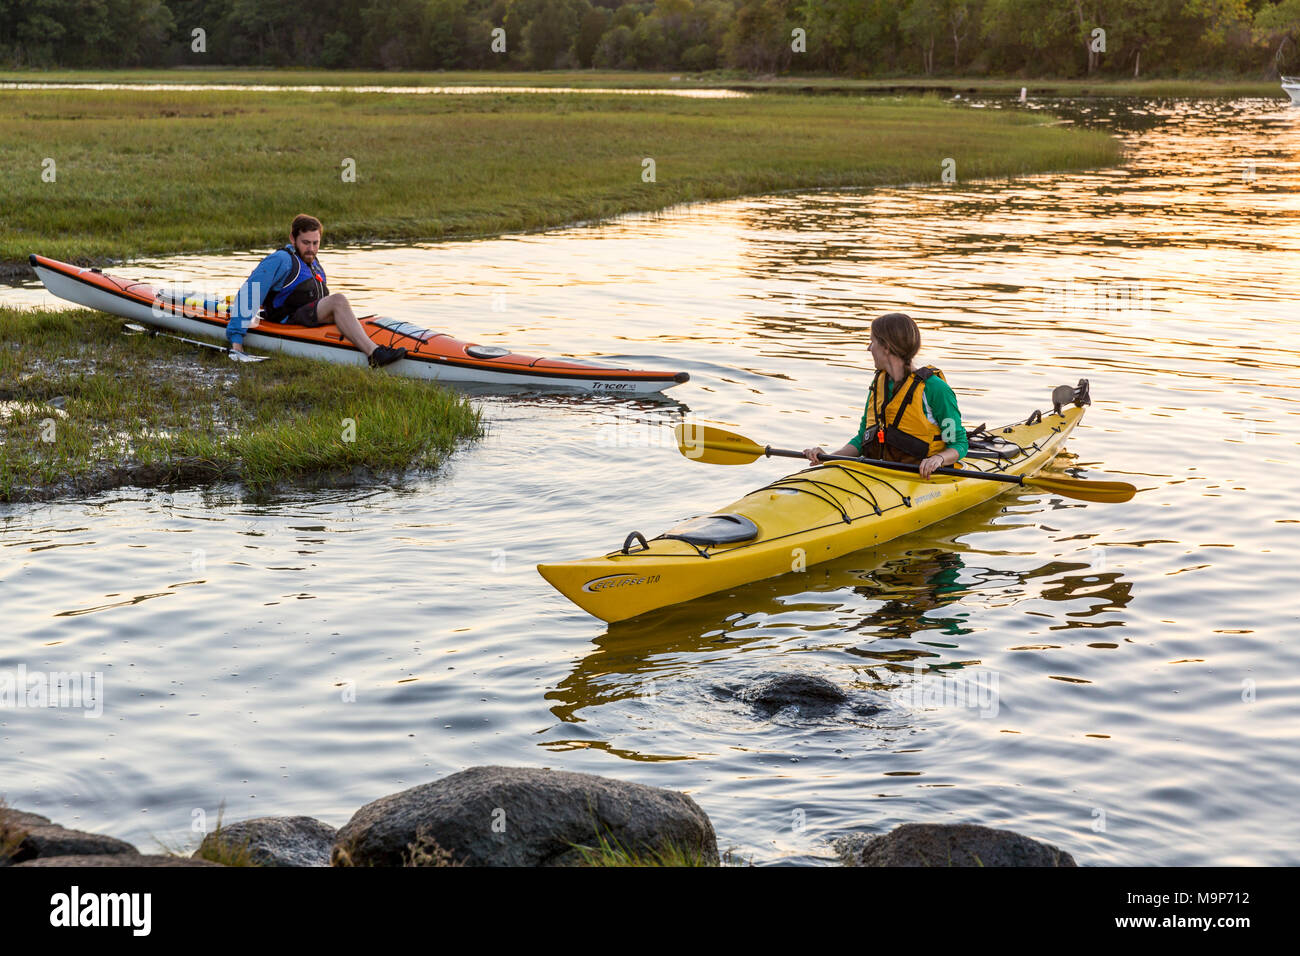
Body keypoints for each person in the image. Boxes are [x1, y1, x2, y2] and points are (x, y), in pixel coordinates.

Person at [225, 214, 407, 368]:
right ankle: (374, 354)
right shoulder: (281, 259)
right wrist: (237, 341)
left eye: (315, 243)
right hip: (287, 318)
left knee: (345, 308)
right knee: (339, 300)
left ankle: (373, 342)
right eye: (305, 243)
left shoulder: (314, 263)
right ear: (292, 238)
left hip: (308, 315)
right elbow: (252, 291)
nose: (311, 249)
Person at [803, 312, 967, 479]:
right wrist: (829, 458)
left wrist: (939, 458)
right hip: (878, 474)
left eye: (872, 342)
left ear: (886, 347)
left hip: (922, 478)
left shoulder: (935, 388)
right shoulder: (878, 384)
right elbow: (862, 439)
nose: (868, 348)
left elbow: (958, 444)